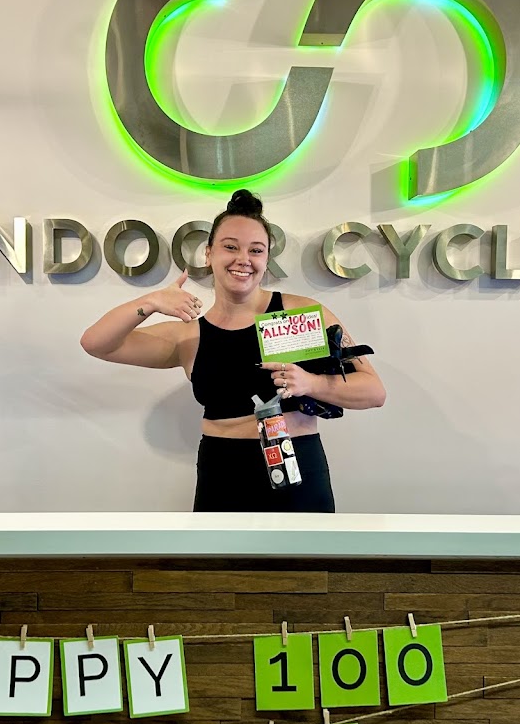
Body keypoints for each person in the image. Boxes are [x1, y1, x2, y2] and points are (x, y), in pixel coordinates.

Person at [80, 190, 385, 511]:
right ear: (208, 254)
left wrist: (312, 383)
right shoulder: (190, 335)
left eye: (256, 250)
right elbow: (96, 343)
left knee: (303, 546)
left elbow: (373, 391)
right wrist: (150, 302)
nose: (244, 259)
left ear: (266, 259)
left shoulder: (300, 315)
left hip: (298, 468)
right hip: (222, 473)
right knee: (221, 547)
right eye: (230, 247)